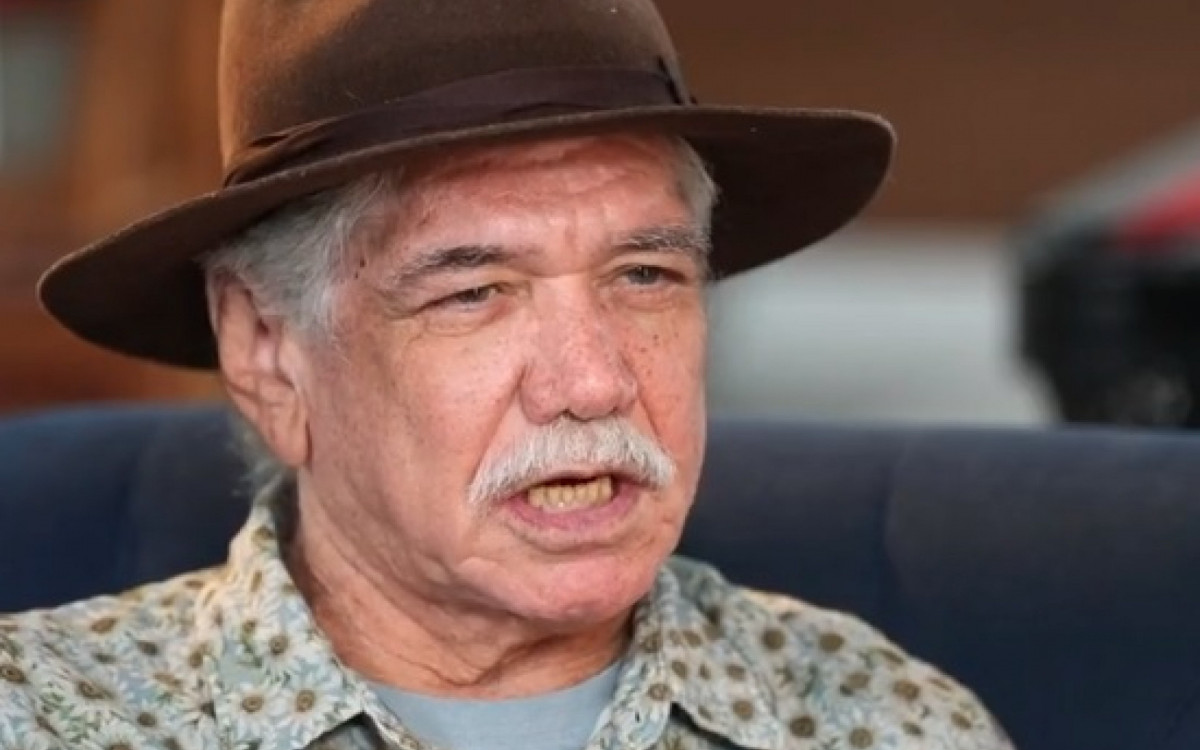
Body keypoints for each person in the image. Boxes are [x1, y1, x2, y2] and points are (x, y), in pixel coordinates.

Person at [1, 1, 1013, 749]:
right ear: (267, 349)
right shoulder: (40, 716)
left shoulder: (878, 721)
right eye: (474, 292)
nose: (593, 382)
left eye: (645, 274)